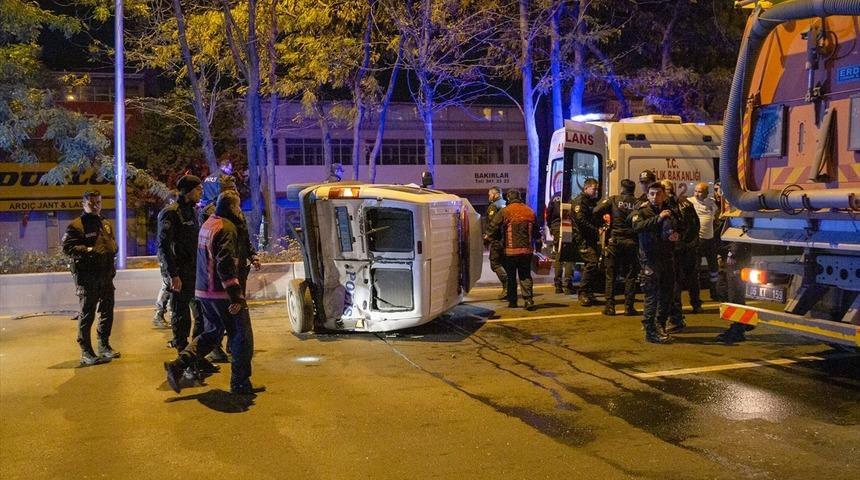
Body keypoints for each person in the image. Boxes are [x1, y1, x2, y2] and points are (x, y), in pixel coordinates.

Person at [164, 191, 263, 396]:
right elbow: (225, 263)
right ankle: (240, 383)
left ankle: (178, 365)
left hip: (204, 292)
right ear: (231, 207)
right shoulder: (226, 228)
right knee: (242, 337)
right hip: (222, 293)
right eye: (238, 207)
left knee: (211, 334)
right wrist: (235, 295)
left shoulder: (210, 223)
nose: (240, 211)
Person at [62, 190, 120, 365]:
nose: (95, 206)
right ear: (83, 204)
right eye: (91, 203)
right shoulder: (76, 225)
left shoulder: (105, 223)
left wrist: (113, 249)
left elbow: (110, 242)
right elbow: (67, 248)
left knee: (107, 311)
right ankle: (86, 351)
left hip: (105, 275)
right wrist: (89, 251)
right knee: (87, 314)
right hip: (88, 278)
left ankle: (104, 345)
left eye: (98, 202)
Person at [157, 175, 204, 353]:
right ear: (188, 191)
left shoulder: (192, 211)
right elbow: (163, 246)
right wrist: (173, 274)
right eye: (198, 189)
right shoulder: (171, 212)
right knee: (181, 313)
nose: (200, 193)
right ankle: (182, 354)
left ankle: (195, 353)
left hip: (195, 271)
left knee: (201, 313)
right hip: (180, 272)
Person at [632, 182, 680, 344]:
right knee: (651, 295)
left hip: (667, 257)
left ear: (664, 195)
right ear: (647, 195)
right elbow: (637, 227)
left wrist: (676, 236)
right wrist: (658, 218)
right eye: (652, 193)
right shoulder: (643, 211)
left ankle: (660, 325)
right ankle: (650, 330)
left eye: (658, 193)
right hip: (650, 259)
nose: (655, 197)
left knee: (666, 294)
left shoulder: (670, 211)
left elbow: (680, 226)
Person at [594, 179, 639, 316]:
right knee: (630, 276)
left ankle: (610, 307)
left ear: (622, 189)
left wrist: (603, 224)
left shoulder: (614, 200)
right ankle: (629, 307)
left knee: (611, 275)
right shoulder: (637, 203)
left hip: (615, 241)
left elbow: (596, 211)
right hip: (631, 242)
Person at [488, 188, 538, 310]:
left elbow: (493, 226)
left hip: (510, 251)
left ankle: (513, 301)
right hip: (526, 251)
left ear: (509, 198)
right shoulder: (530, 211)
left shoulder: (506, 211)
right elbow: (536, 231)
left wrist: (490, 237)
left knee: (511, 276)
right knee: (525, 275)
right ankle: (528, 300)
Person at [661, 180, 701, 332]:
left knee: (673, 286)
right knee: (688, 280)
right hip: (686, 250)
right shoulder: (686, 203)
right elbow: (695, 226)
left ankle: (676, 318)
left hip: (676, 252)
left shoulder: (668, 207)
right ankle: (695, 305)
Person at [715, 242, 755, 343]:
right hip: (726, 254)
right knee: (722, 291)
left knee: (735, 296)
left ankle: (738, 330)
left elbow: (740, 235)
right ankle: (745, 322)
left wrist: (733, 253)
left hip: (736, 257)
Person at [571, 178, 601, 306]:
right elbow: (581, 221)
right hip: (583, 238)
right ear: (586, 188)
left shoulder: (591, 201)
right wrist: (596, 230)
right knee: (592, 263)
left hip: (590, 237)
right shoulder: (580, 201)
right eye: (594, 189)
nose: (595, 191)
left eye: (596, 189)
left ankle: (588, 293)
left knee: (593, 265)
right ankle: (583, 292)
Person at [688, 182, 721, 301]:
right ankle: (696, 297)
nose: (697, 194)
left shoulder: (711, 202)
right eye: (696, 191)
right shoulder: (690, 202)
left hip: (710, 240)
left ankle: (714, 292)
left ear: (707, 193)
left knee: (714, 268)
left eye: (700, 191)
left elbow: (717, 214)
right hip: (698, 240)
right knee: (695, 269)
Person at [546, 192, 574, 294]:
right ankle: (568, 284)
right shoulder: (571, 195)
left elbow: (548, 214)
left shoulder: (555, 196)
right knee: (569, 255)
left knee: (559, 254)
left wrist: (551, 227)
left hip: (556, 227)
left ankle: (558, 285)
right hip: (567, 226)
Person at [482, 186, 508, 299]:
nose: (489, 197)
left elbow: (493, 223)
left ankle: (507, 287)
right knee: (504, 263)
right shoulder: (506, 204)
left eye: (489, 194)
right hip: (507, 239)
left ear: (496, 194)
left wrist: (487, 236)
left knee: (495, 263)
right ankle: (509, 288)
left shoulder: (494, 206)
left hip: (497, 239)